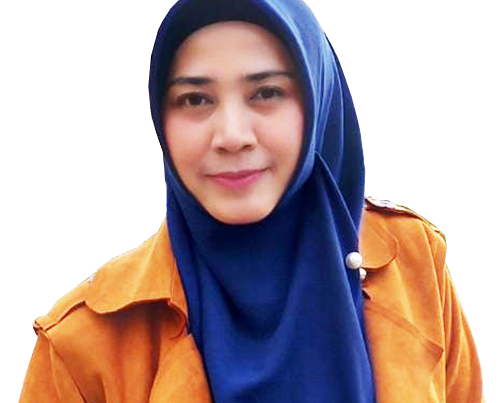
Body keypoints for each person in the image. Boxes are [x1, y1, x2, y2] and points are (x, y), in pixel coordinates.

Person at [19, 0, 485, 402]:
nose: (232, 135)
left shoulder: (413, 262)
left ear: (318, 100)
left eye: (266, 92)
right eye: (195, 99)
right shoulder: (84, 342)